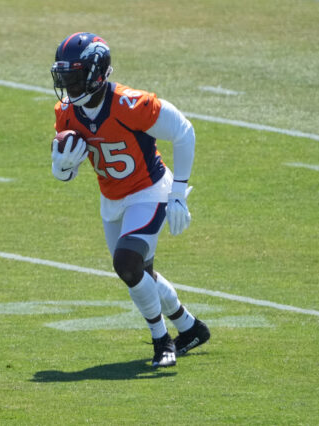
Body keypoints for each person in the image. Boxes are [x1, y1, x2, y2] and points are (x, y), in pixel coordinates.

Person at [49, 32, 210, 368]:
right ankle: (190, 327)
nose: (69, 86)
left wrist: (179, 194)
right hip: (112, 199)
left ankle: (161, 341)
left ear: (96, 74)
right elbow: (66, 173)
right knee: (140, 273)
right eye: (64, 78)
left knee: (127, 263)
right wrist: (62, 165)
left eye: (75, 77)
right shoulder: (66, 113)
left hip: (150, 190)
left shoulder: (129, 104)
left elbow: (184, 131)